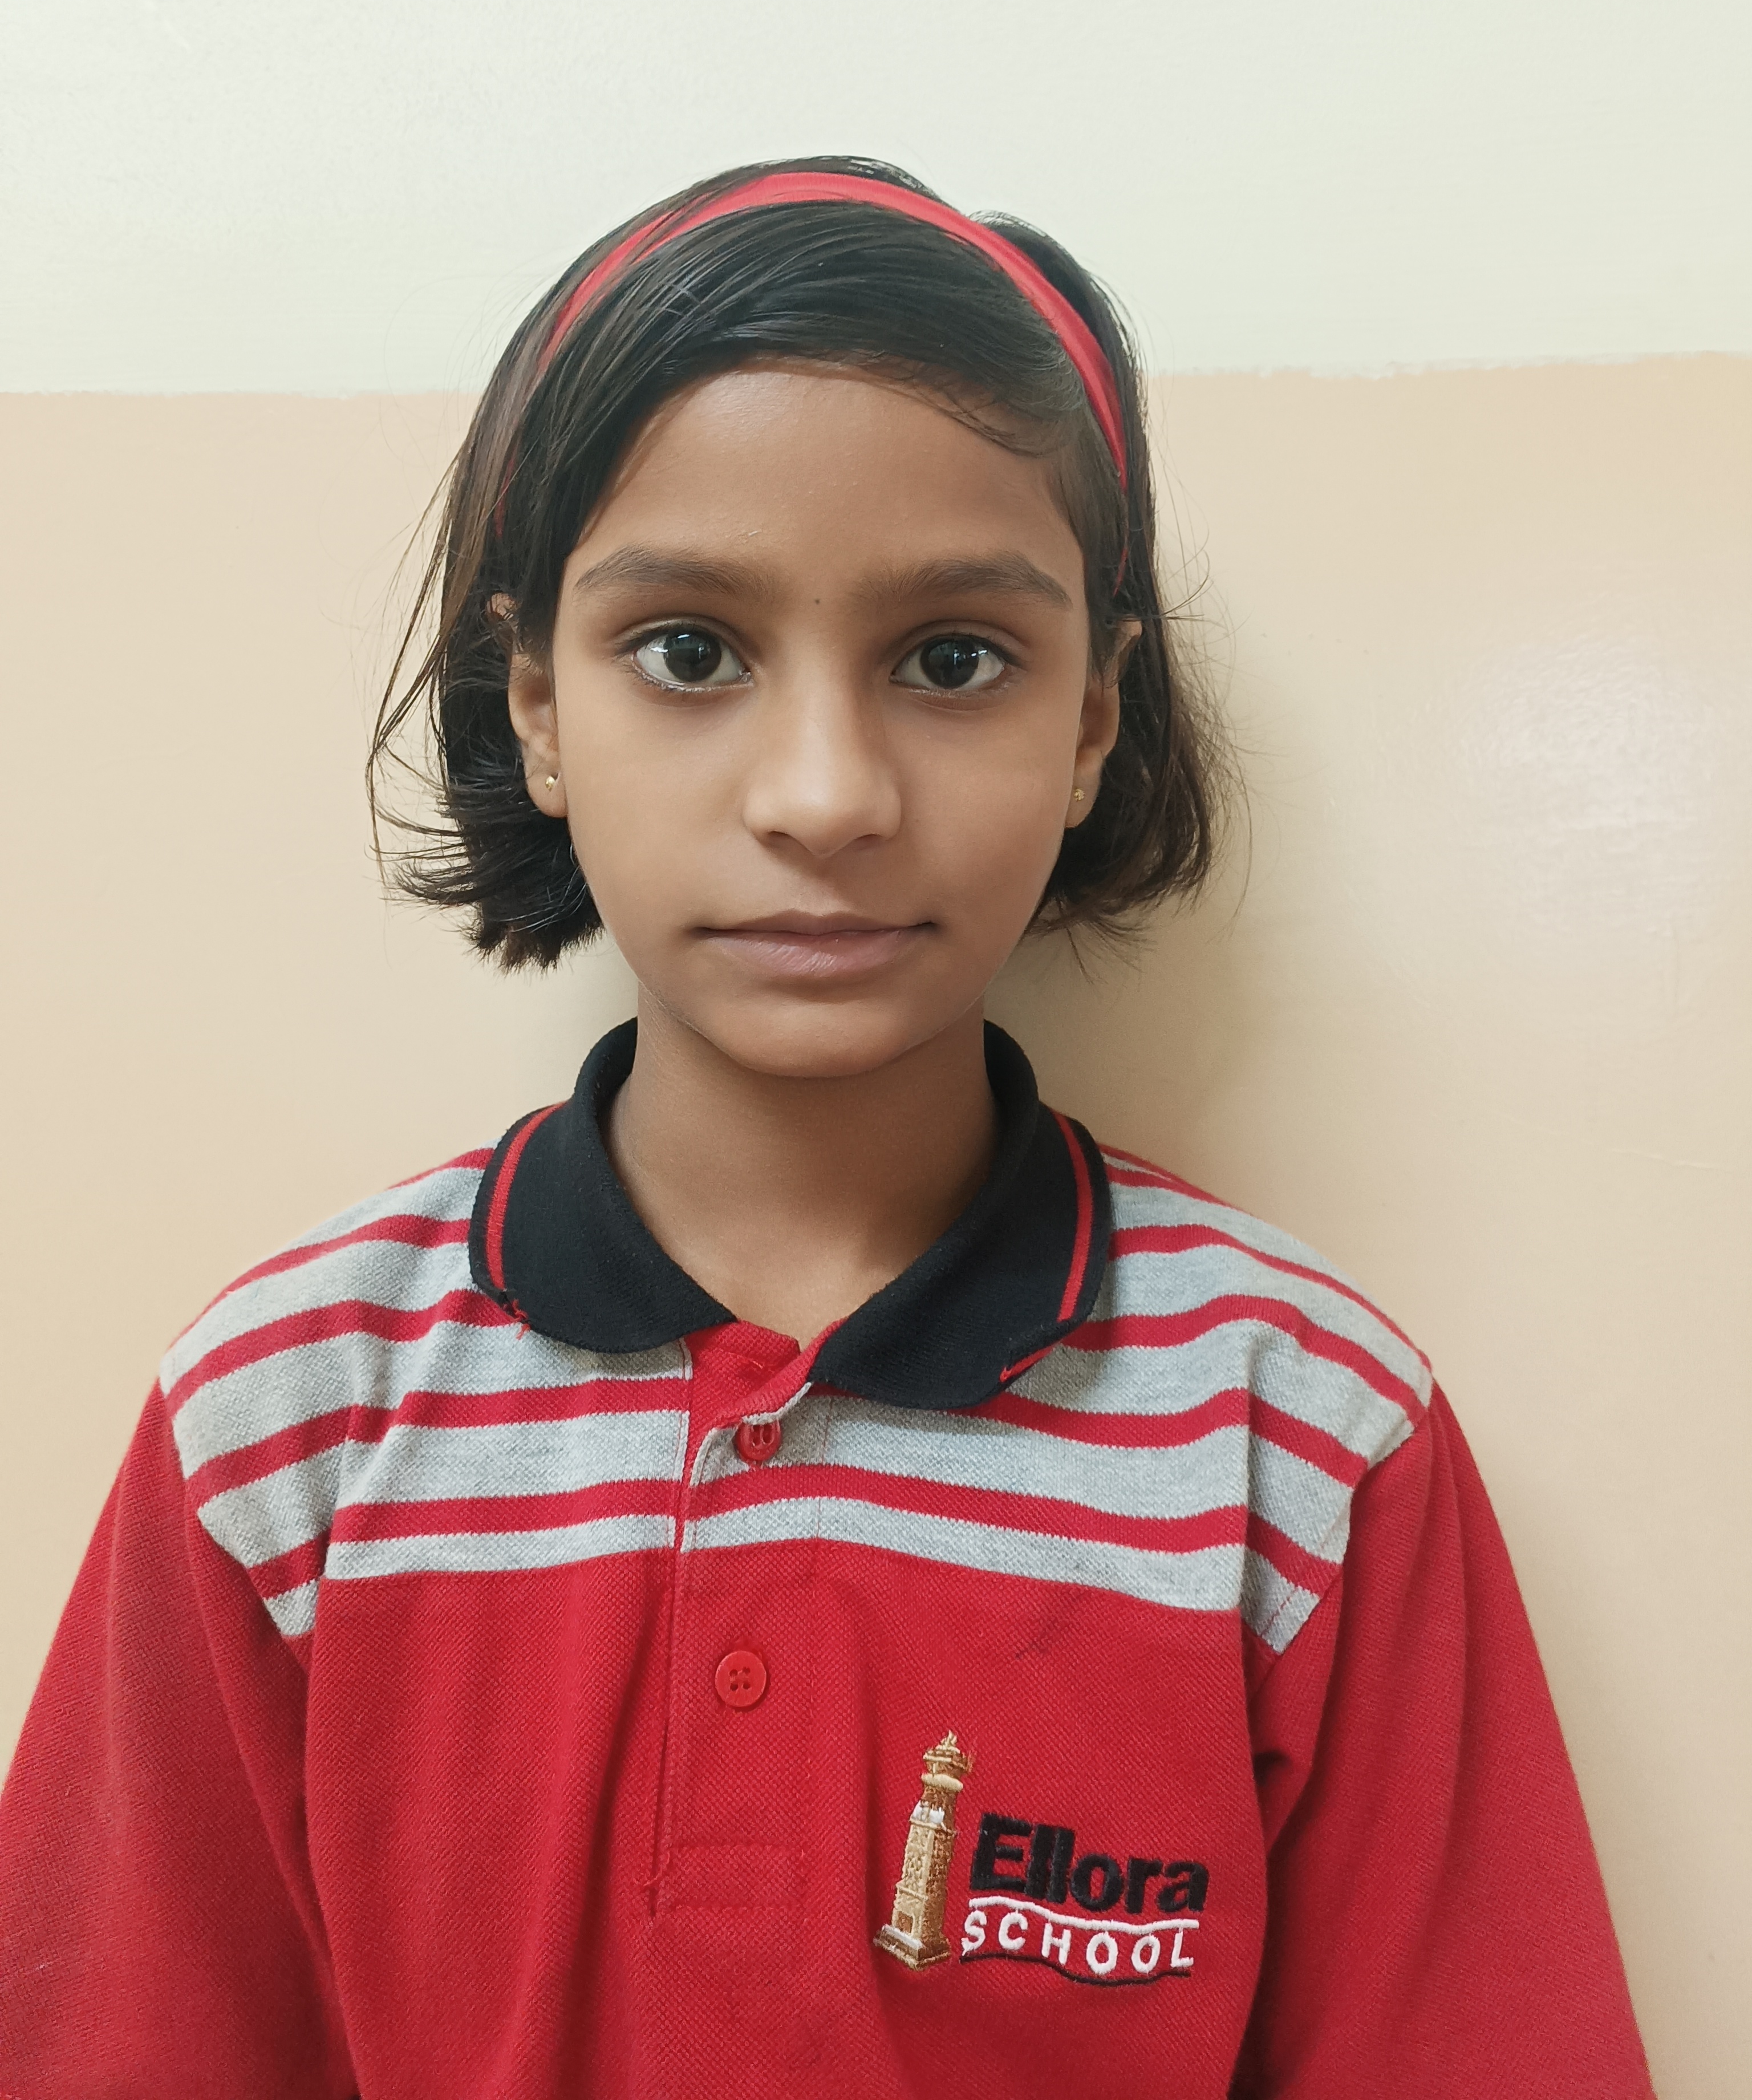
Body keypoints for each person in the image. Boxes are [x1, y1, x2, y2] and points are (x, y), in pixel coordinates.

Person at [0, 158, 1652, 2097]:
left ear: (1094, 720)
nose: (824, 793)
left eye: (953, 659)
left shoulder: (1299, 1437)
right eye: (688, 650)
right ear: (537, 707)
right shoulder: (287, 1426)